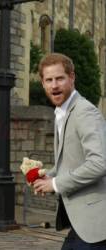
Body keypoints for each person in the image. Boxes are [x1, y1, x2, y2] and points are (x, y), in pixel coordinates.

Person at [33, 53, 106, 249]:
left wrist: (55, 184)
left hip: (96, 226)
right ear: (43, 83)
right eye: (49, 80)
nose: (54, 85)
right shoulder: (62, 112)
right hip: (80, 224)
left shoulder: (85, 112)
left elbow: (99, 163)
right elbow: (72, 160)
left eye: (60, 78)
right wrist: (47, 176)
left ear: (72, 78)